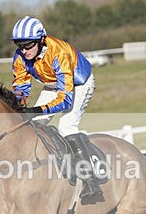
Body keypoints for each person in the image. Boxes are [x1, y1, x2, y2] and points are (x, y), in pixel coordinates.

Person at [10, 16, 101, 198]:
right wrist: (19, 106)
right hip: (52, 84)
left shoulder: (58, 52)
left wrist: (36, 110)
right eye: (20, 45)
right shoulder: (20, 57)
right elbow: (20, 85)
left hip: (77, 83)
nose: (24, 50)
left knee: (66, 126)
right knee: (33, 126)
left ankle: (91, 181)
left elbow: (65, 100)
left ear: (41, 40)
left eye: (28, 45)